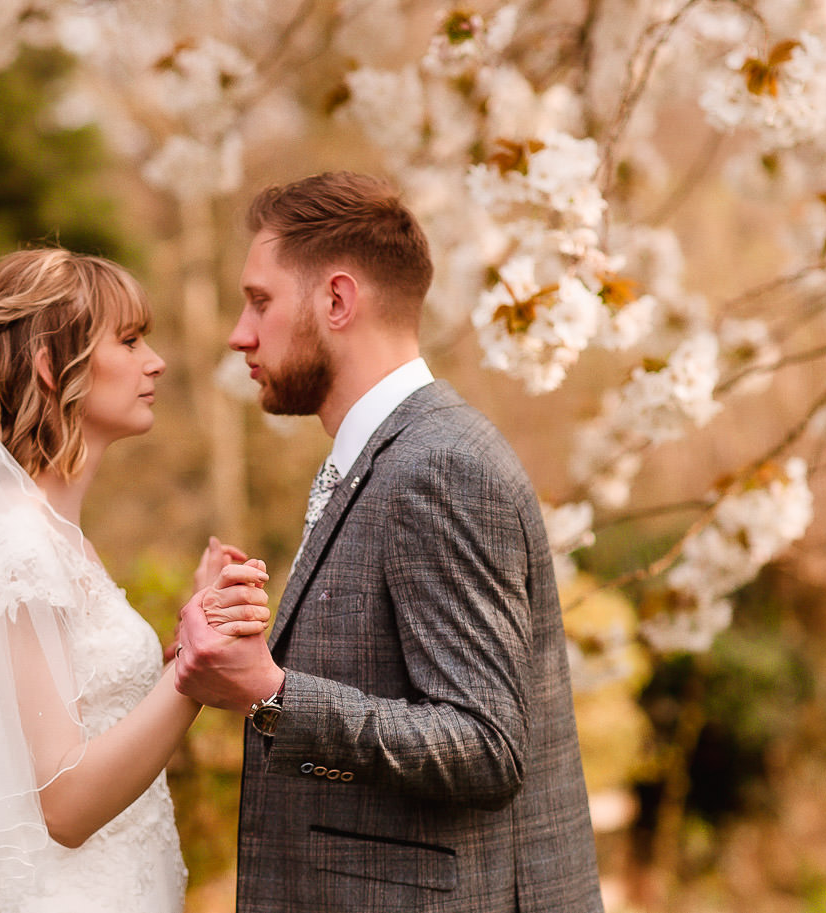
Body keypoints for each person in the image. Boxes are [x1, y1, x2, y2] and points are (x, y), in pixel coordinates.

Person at [174, 172, 604, 912]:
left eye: (261, 300)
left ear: (337, 300)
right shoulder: (386, 454)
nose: (239, 333)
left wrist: (270, 693)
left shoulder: (439, 465)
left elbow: (486, 744)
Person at [0, 248, 269, 913]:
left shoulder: (62, 539)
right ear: (51, 365)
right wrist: (193, 668)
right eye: (128, 341)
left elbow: (97, 719)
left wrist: (194, 628)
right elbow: (64, 805)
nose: (154, 361)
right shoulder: (20, 547)